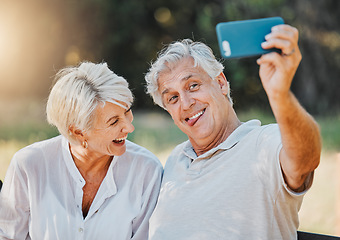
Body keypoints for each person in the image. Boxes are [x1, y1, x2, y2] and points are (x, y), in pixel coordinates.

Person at [144, 24, 321, 239]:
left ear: (220, 84)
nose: (186, 103)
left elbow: (304, 160)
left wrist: (279, 95)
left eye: (193, 85)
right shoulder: (175, 160)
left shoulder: (262, 142)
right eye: (172, 98)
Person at [0, 61, 163, 239]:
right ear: (78, 132)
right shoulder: (29, 165)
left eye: (127, 112)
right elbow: (8, 236)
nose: (129, 128)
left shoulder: (147, 170)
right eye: (114, 121)